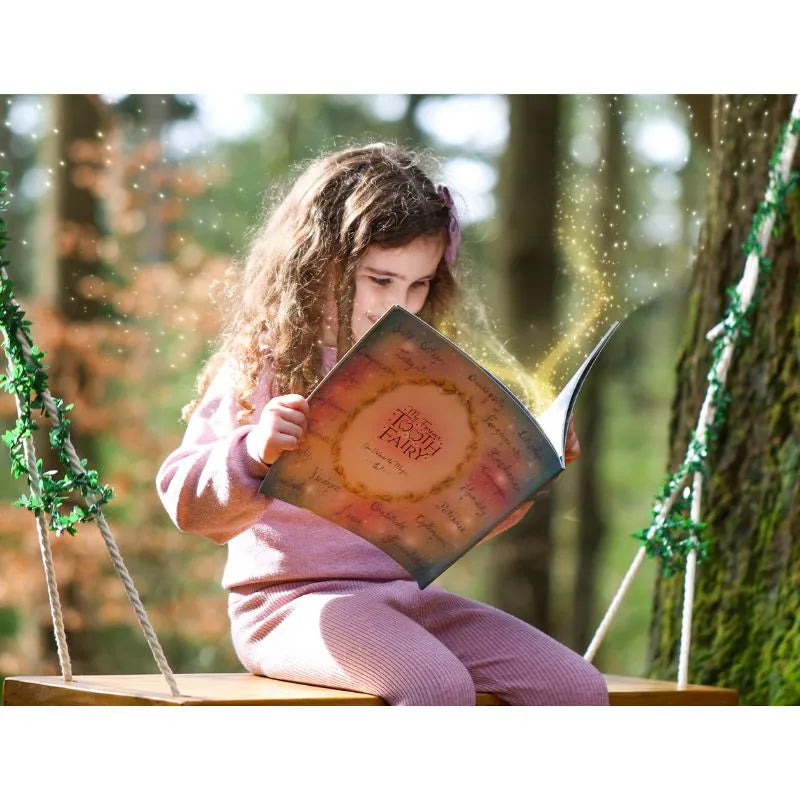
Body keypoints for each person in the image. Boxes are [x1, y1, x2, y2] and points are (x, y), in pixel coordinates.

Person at [156, 143, 609, 706]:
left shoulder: (419, 375)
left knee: (575, 687)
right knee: (435, 686)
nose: (400, 305)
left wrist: (520, 475)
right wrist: (253, 451)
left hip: (411, 599)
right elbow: (188, 504)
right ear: (318, 263)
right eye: (380, 280)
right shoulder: (265, 366)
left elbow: (443, 522)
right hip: (289, 606)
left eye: (418, 285)